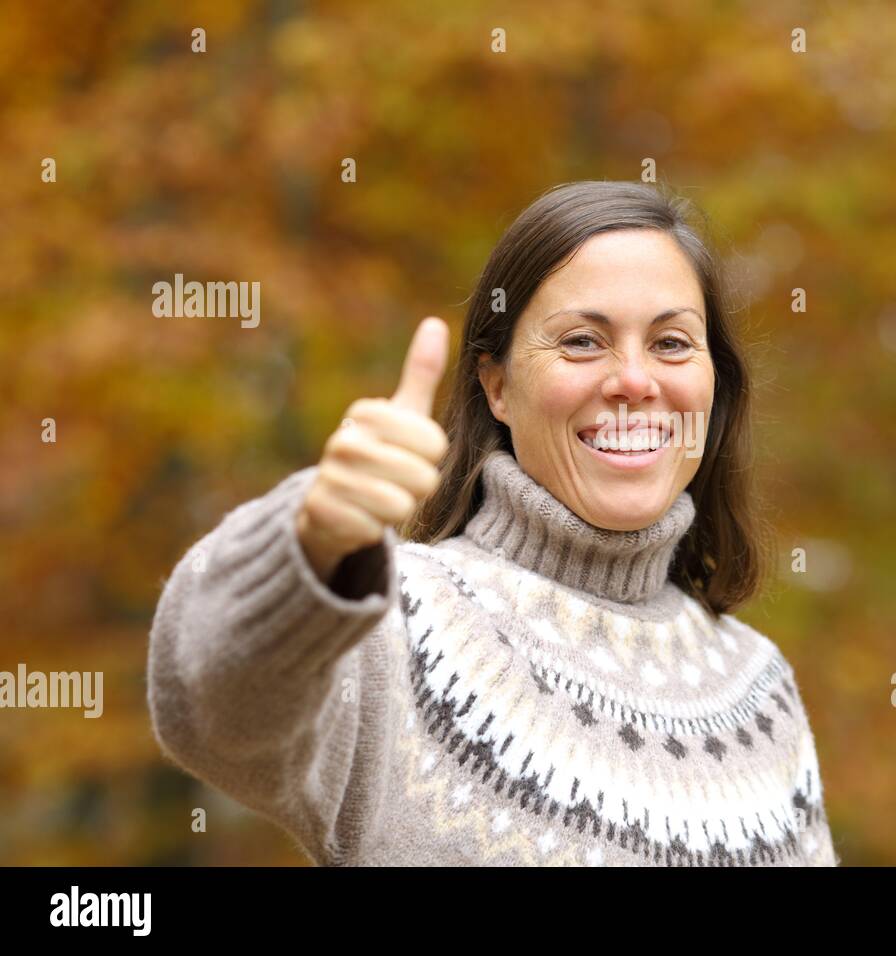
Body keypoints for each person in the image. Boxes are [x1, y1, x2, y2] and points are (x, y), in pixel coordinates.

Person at [147, 180, 840, 866]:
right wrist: (308, 543)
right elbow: (212, 708)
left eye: (671, 343)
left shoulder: (759, 690)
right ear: (498, 385)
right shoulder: (390, 622)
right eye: (581, 341)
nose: (634, 379)